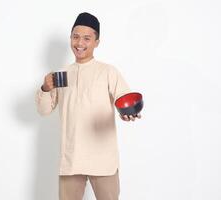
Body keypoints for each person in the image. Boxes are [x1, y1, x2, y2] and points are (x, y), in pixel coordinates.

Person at [36, 12, 141, 200]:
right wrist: (45, 88)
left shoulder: (108, 72)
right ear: (70, 38)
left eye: (87, 38)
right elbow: (44, 110)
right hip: (71, 159)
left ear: (97, 42)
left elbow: (124, 99)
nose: (79, 43)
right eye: (75, 37)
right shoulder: (61, 75)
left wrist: (128, 114)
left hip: (103, 159)